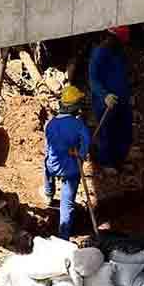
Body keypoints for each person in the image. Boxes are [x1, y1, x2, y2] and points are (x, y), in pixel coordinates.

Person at [41, 84, 91, 239]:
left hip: (53, 164)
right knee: (67, 203)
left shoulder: (50, 124)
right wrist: (80, 155)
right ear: (74, 107)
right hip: (71, 168)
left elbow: (48, 146)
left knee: (47, 167)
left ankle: (48, 193)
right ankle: (63, 236)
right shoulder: (78, 125)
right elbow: (86, 143)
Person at [87, 26, 134, 173]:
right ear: (112, 38)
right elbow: (93, 79)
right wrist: (104, 95)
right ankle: (106, 162)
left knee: (124, 131)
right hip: (105, 103)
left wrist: (128, 94)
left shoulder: (119, 52)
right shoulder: (99, 53)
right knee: (107, 132)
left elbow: (123, 75)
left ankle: (119, 161)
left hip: (122, 100)